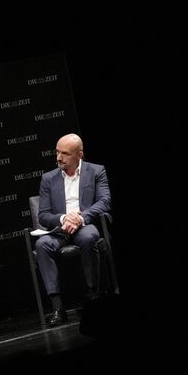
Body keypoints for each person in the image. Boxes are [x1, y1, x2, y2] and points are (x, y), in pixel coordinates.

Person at [35, 133, 111, 326]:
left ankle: (93, 297)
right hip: (60, 230)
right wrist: (63, 218)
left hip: (84, 226)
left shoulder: (96, 171)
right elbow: (43, 215)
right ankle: (57, 307)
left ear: (80, 154)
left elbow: (104, 201)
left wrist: (80, 218)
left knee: (88, 238)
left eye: (65, 153)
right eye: (57, 152)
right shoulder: (48, 179)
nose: (59, 158)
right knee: (42, 244)